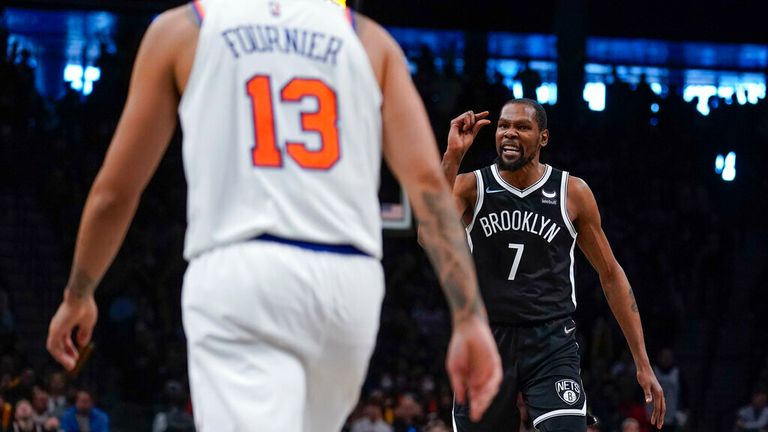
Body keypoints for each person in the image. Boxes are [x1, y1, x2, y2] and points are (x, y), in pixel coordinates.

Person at [45, 1, 502, 431]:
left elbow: (115, 193)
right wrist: (469, 317)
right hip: (349, 287)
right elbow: (426, 184)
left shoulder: (185, 28)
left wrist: (79, 292)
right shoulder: (368, 40)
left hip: (243, 274)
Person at [425, 99, 665, 431]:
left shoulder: (572, 192)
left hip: (550, 339)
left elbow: (610, 274)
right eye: (503, 126)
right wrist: (452, 156)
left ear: (543, 138)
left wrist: (642, 362)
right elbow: (429, 235)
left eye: (521, 127)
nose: (509, 133)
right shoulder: (471, 186)